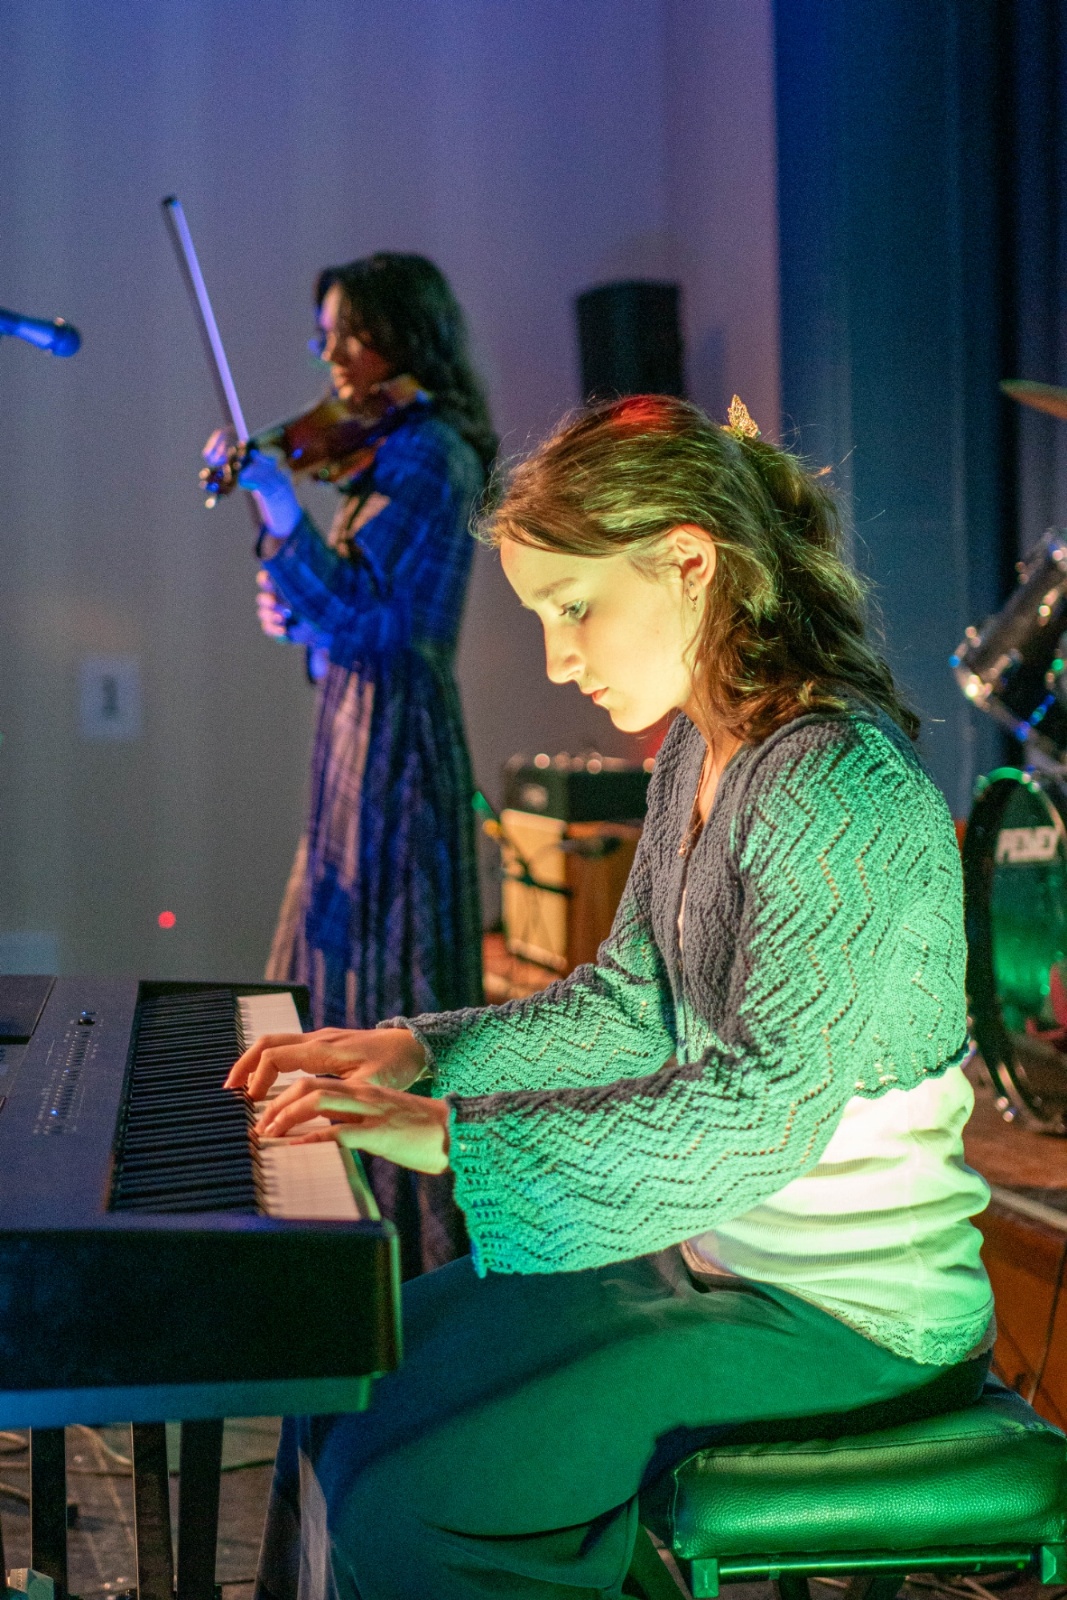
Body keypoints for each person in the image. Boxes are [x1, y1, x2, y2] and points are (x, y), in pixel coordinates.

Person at [226, 394, 994, 1600]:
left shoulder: (835, 784)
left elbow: (758, 1112)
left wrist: (455, 1137)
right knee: (345, 1380)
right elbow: (628, 1005)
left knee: (411, 1498)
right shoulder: (699, 748)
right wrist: (417, 1052)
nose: (557, 656)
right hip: (717, 1262)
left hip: (852, 1319)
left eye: (572, 606)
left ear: (688, 561)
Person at [206, 253, 496, 1277]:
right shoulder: (379, 450)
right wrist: (301, 620)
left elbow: (387, 622)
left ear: (403, 337)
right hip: (354, 742)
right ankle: (323, 1242)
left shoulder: (431, 453)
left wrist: (283, 517)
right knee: (327, 968)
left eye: (349, 333)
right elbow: (347, 616)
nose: (328, 353)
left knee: (381, 988)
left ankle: (402, 1272)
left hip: (398, 753)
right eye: (324, 333)